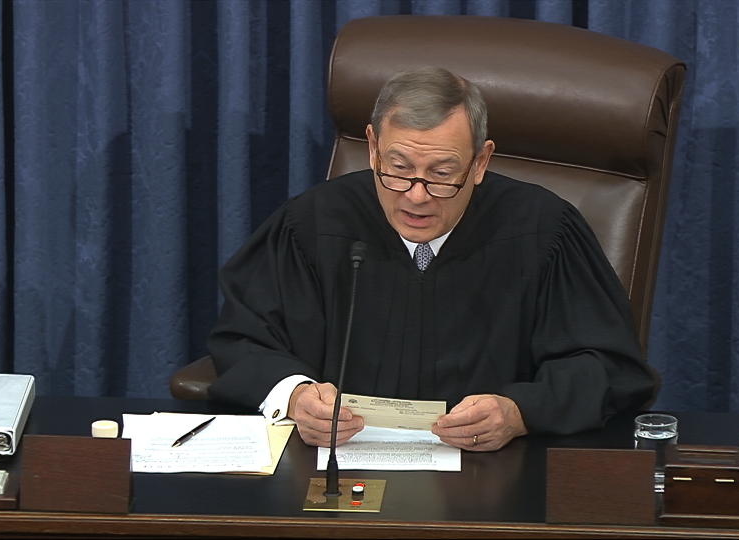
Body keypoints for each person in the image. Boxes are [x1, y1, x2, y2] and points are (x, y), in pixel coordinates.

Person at [207, 67, 656, 452]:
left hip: (495, 476)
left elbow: (609, 367)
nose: (416, 197)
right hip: (334, 467)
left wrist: (522, 412)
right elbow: (243, 339)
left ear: (480, 162)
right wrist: (295, 395)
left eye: (442, 174)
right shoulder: (312, 224)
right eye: (398, 168)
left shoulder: (543, 230)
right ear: (372, 146)